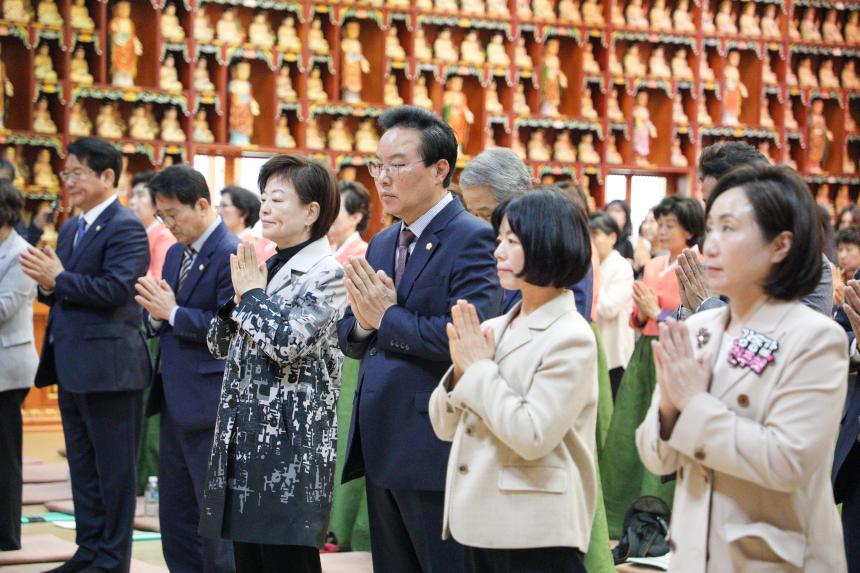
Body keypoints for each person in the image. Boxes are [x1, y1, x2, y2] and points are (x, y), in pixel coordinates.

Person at [637, 164, 848, 572]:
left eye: (729, 229)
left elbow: (786, 461)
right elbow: (655, 458)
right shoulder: (697, 328)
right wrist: (669, 408)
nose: (711, 244)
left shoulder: (815, 338)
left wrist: (693, 403)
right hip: (694, 555)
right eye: (710, 228)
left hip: (774, 559)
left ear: (780, 245)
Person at [337, 106, 502, 573]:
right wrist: (366, 323)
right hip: (380, 434)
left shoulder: (472, 238)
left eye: (397, 165)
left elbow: (467, 336)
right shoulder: (383, 241)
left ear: (439, 169)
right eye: (377, 166)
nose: (382, 178)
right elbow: (352, 331)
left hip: (432, 439)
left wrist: (386, 318)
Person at [429, 190, 597, 572]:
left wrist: (478, 370)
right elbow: (443, 426)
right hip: (477, 518)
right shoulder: (494, 327)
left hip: (534, 528)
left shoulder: (571, 336)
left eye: (512, 241)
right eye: (499, 239)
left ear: (547, 245)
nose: (498, 252)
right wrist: (460, 372)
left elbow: (531, 435)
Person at [199, 155, 345, 573]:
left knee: (287, 561)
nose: (264, 208)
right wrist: (242, 298)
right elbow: (217, 344)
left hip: (291, 446)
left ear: (311, 212)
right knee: (249, 560)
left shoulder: (329, 273)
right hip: (245, 436)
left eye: (277, 199)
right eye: (263, 198)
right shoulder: (269, 265)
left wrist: (252, 296)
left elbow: (287, 344)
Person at [20, 137, 151, 573]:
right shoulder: (73, 227)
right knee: (83, 468)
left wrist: (59, 279)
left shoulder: (125, 226)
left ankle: (112, 560)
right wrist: (47, 282)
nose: (69, 182)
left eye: (77, 173)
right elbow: (65, 289)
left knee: (113, 472)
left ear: (107, 176)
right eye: (66, 173)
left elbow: (117, 290)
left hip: (111, 370)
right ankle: (89, 550)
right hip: (73, 365)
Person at [133, 165, 238, 573]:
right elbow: (166, 314)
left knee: (212, 514)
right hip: (174, 396)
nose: (168, 224)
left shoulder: (231, 253)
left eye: (173, 214)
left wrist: (173, 313)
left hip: (210, 402)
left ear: (202, 205)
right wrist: (156, 315)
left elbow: (229, 329)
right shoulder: (176, 252)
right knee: (175, 513)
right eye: (162, 216)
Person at [601, 194, 705, 537]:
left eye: (670, 225)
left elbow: (701, 315)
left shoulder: (699, 264)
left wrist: (656, 312)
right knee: (631, 427)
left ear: (689, 230)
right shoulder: (655, 264)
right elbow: (637, 313)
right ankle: (622, 512)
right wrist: (644, 313)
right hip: (645, 350)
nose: (661, 230)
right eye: (659, 224)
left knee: (665, 427)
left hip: (675, 348)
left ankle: (660, 513)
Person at [677, 141, 834, 317]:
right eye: (708, 203)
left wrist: (706, 304)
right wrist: (689, 307)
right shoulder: (720, 255)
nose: (712, 213)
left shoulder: (806, 265)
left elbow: (789, 332)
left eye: (722, 200)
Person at [458, 148, 594, 318]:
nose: (477, 224)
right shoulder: (475, 246)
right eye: (472, 214)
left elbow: (572, 319)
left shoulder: (558, 243)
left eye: (486, 215)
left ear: (517, 202)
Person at [0, 181, 37, 551]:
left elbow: (3, 308)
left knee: (5, 454)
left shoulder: (22, 253)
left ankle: (7, 535)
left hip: (8, 369)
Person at [590, 212, 634, 399]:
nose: (591, 241)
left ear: (612, 238)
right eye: (588, 235)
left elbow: (609, 308)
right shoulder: (592, 265)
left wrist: (591, 287)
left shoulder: (621, 266)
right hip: (594, 347)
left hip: (614, 351)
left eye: (596, 235)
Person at [129, 170, 175, 280]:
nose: (132, 201)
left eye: (140, 195)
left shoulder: (164, 235)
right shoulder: (136, 233)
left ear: (157, 200)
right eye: (132, 195)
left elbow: (158, 278)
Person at [219, 185, 276, 263]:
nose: (218, 211)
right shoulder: (224, 243)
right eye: (218, 206)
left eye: (224, 205)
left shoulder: (258, 246)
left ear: (243, 213)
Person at [328, 180, 371, 265]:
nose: (328, 213)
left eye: (335, 209)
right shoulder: (328, 248)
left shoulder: (363, 254)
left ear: (355, 218)